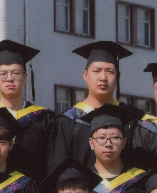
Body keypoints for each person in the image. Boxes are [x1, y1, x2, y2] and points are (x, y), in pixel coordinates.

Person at [50, 41, 137, 172]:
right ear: (85, 75)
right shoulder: (67, 121)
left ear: (118, 76)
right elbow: (58, 169)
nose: (103, 77)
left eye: (110, 71)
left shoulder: (131, 118)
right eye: (96, 71)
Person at [0, 40, 55, 181]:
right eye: (3, 74)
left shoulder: (44, 118)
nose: (9, 79)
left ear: (25, 77)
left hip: (35, 191)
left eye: (16, 73)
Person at [84, 104, 149, 193]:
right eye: (101, 138)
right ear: (91, 143)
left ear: (124, 142)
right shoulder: (82, 180)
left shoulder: (139, 181)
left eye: (115, 138)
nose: (108, 144)